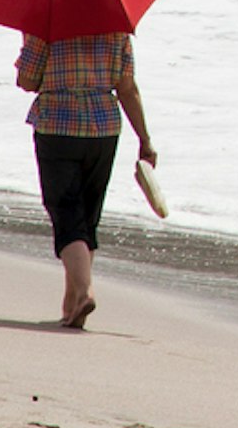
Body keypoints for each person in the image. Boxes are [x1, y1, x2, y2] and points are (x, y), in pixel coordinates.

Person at [14, 27, 156, 329]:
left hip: (58, 124)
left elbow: (26, 80)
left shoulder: (46, 24)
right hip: (104, 129)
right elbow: (127, 87)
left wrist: (28, 44)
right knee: (87, 215)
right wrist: (145, 139)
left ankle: (84, 291)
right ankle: (71, 304)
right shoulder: (115, 29)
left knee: (65, 211)